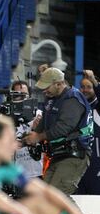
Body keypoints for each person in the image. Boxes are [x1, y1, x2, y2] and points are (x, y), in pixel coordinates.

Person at [23, 68, 92, 196]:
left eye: (47, 87)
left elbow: (64, 127)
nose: (44, 90)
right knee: (45, 197)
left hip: (74, 155)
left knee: (55, 198)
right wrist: (25, 140)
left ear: (59, 84)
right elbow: (44, 122)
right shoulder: (52, 98)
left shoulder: (73, 99)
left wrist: (38, 137)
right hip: (59, 155)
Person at [11, 80, 43, 180]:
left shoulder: (39, 114)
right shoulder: (6, 115)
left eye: (25, 95)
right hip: (14, 172)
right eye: (18, 95)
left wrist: (38, 128)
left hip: (36, 170)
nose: (21, 98)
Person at [77, 69, 100, 195]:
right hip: (78, 164)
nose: (84, 90)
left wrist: (95, 81)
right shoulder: (76, 108)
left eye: (89, 87)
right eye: (82, 87)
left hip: (95, 167)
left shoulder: (97, 109)